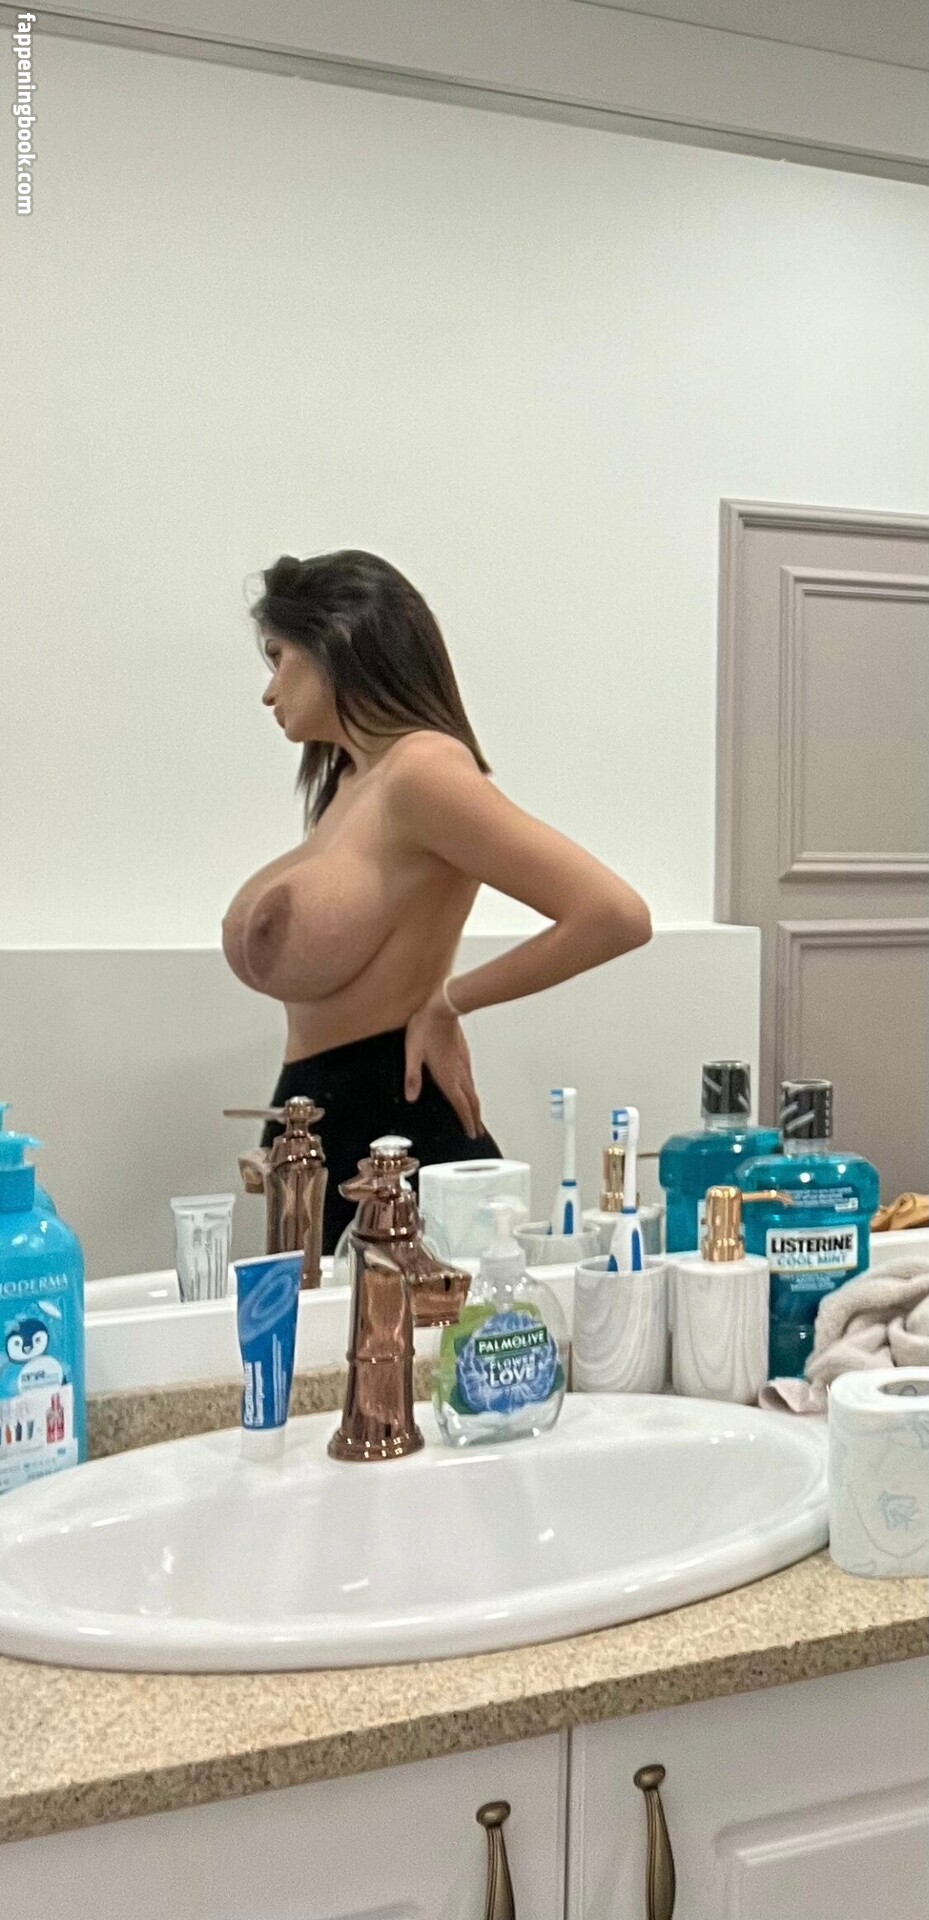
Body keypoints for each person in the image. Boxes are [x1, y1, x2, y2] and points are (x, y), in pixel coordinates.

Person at [222, 550, 652, 1253]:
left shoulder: (422, 771)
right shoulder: (349, 782)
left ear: (336, 639)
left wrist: (448, 1002)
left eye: (278, 657)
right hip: (327, 1113)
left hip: (397, 1125)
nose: (270, 692)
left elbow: (614, 915)